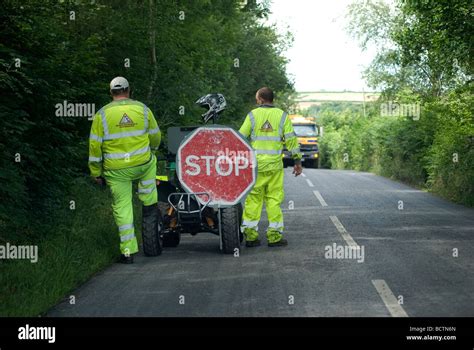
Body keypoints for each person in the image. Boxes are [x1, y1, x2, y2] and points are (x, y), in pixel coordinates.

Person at [88, 77, 161, 263]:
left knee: (123, 208)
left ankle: (128, 252)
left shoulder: (102, 115)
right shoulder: (143, 110)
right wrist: (152, 150)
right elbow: (155, 136)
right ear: (129, 90)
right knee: (149, 194)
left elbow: (94, 147)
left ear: (111, 92)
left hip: (116, 171)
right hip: (143, 165)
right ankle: (150, 215)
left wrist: (95, 172)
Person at [239, 87, 303, 247]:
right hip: (274, 166)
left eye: (256, 98)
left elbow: (240, 137)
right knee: (274, 200)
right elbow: (291, 140)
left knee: (253, 199)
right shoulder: (282, 116)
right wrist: (297, 161)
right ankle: (274, 237)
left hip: (255, 167)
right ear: (271, 99)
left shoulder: (252, 115)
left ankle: (251, 237)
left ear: (260, 99)